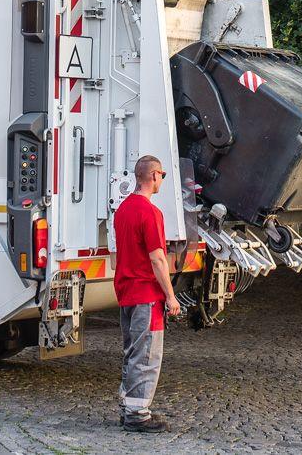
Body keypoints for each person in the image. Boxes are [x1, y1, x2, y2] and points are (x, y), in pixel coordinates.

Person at [113, 153, 181, 432]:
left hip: (126, 291)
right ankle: (138, 415)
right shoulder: (150, 213)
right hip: (146, 295)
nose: (161, 180)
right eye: (162, 175)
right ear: (153, 176)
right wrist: (171, 296)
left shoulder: (123, 210)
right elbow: (157, 259)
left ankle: (128, 407)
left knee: (131, 351)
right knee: (146, 355)